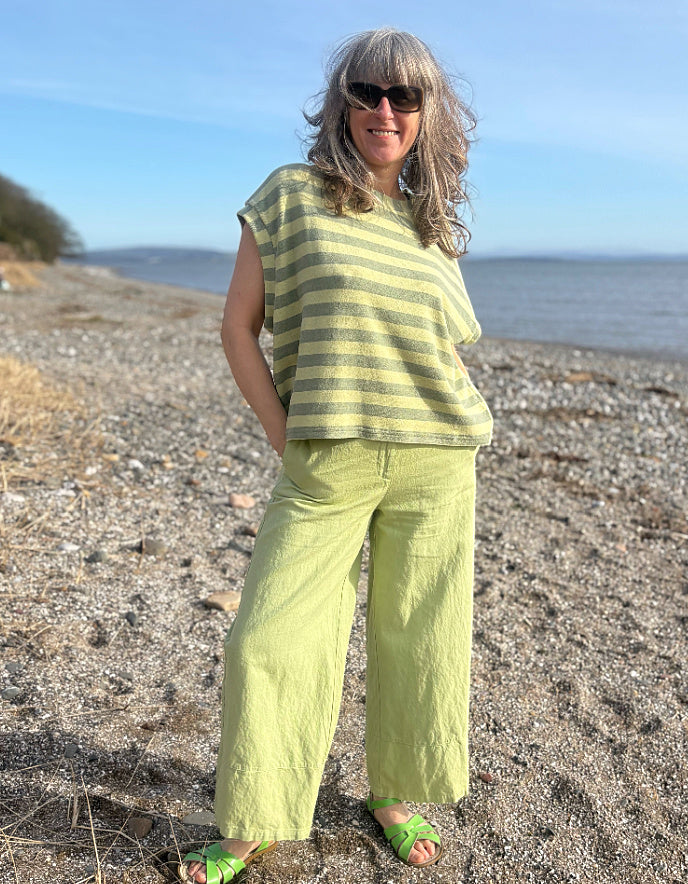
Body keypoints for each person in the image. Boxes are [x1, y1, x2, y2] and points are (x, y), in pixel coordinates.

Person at [179, 27, 492, 884]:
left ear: (430, 114)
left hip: (437, 461)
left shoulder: (432, 228)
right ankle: (254, 819)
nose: (384, 110)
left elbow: (446, 345)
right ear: (342, 103)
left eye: (405, 96)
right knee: (268, 641)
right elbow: (238, 327)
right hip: (326, 459)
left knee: (421, 638)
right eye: (368, 92)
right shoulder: (291, 194)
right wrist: (285, 434)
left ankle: (395, 792)